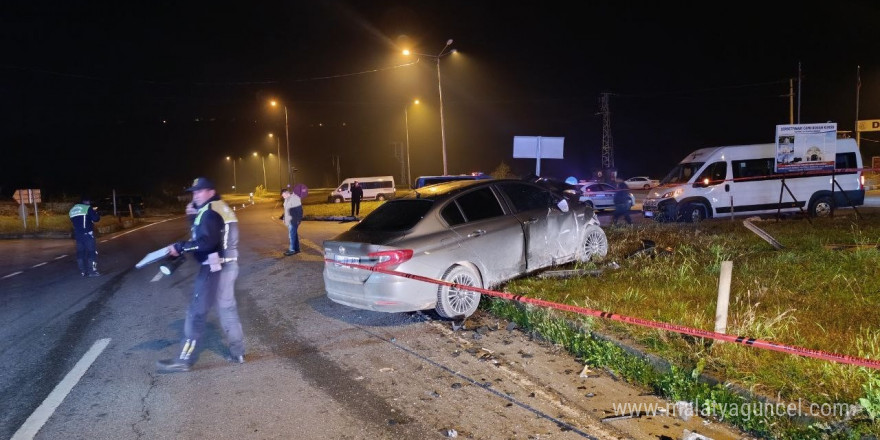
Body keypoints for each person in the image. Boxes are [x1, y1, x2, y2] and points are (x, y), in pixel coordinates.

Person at [157, 177, 244, 373]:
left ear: (211, 192)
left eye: (199, 191)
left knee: (195, 313)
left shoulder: (210, 211)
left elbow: (205, 242)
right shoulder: (220, 207)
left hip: (214, 268)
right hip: (229, 264)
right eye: (193, 191)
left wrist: (180, 247)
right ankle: (238, 353)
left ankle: (184, 360)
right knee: (227, 310)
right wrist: (192, 217)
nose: (195, 194)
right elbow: (208, 235)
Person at [69, 195, 101, 277]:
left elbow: (74, 221)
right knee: (92, 252)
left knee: (80, 253)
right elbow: (96, 219)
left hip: (78, 235)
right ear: (87, 202)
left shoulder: (72, 210)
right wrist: (96, 213)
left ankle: (83, 271)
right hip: (88, 234)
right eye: (89, 202)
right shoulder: (87, 208)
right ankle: (92, 272)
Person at [281, 188, 303, 256]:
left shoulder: (294, 199)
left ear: (287, 193)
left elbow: (300, 210)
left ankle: (292, 250)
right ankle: (297, 249)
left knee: (291, 235)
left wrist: (299, 220)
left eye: (284, 195)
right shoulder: (286, 200)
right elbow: (286, 210)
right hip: (289, 220)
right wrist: (284, 218)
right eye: (283, 196)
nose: (283, 197)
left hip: (294, 220)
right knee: (294, 234)